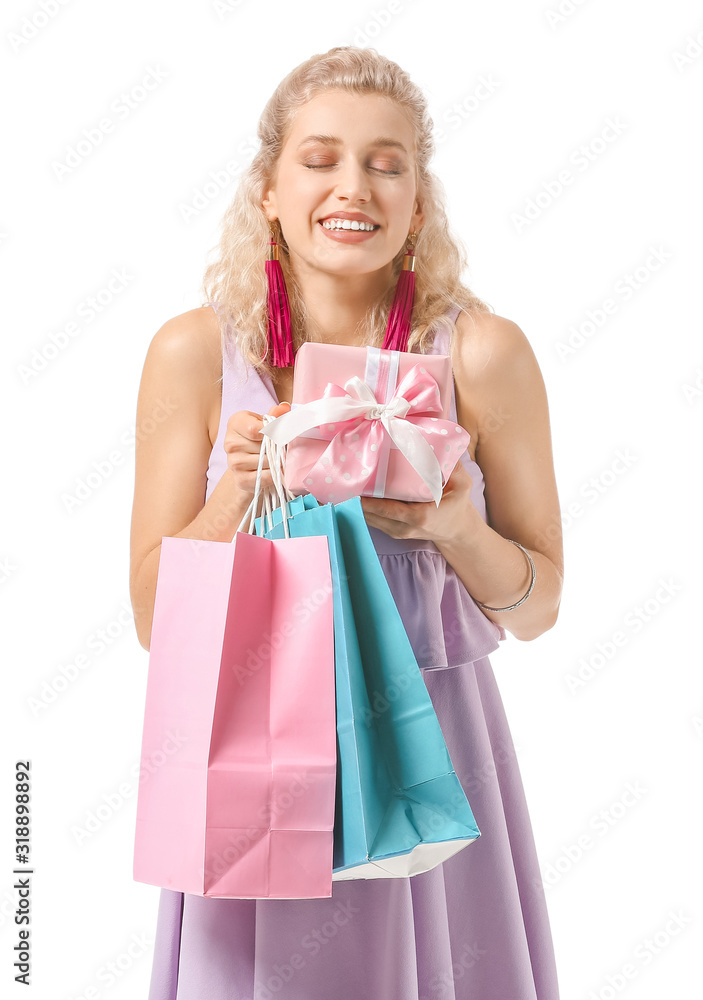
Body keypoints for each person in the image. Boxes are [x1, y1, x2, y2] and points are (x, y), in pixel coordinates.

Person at [129, 45, 564, 1000]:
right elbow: (156, 621)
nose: (352, 186)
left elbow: (539, 609)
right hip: (251, 749)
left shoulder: (480, 354)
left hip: (429, 752)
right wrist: (235, 493)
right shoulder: (194, 353)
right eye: (320, 159)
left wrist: (454, 526)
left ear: (419, 201)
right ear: (268, 191)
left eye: (385, 163)